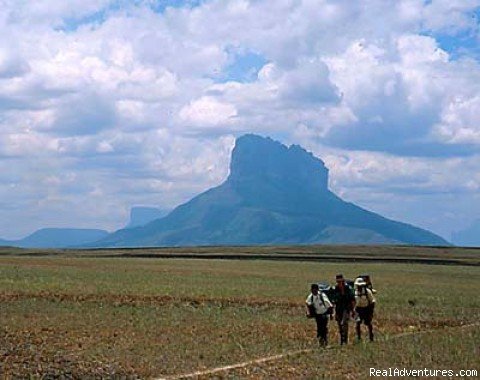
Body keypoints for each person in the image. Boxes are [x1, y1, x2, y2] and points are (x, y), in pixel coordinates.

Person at [330, 274, 355, 345]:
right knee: (339, 325)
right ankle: (342, 340)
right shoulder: (335, 289)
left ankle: (345, 340)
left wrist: (353, 310)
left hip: (346, 308)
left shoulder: (348, 288)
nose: (339, 283)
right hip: (338, 308)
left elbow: (352, 300)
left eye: (340, 281)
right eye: (338, 281)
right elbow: (333, 300)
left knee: (344, 323)